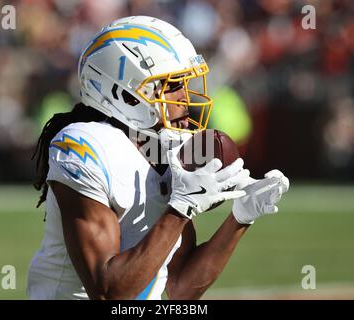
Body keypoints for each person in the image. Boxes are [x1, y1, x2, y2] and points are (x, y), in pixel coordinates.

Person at [27, 16, 289, 300]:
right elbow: (108, 294)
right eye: (171, 85)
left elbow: (179, 287)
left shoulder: (163, 147)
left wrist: (241, 217)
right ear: (123, 93)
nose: (184, 99)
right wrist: (179, 208)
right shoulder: (83, 147)